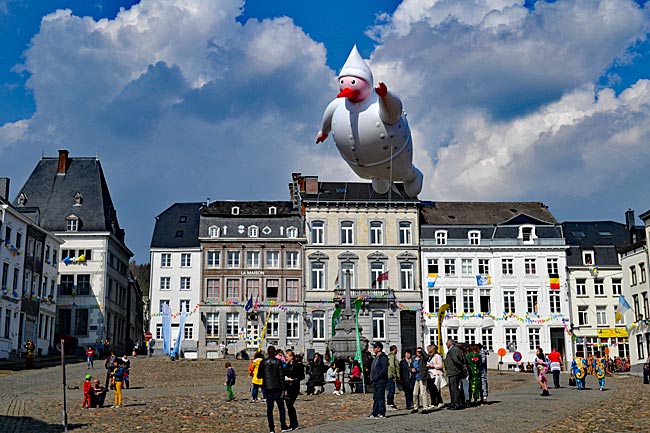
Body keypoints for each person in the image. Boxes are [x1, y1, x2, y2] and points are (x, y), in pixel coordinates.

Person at [257, 345, 289, 433]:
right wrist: (284, 388)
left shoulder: (263, 362)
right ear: (275, 352)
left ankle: (271, 428)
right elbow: (281, 376)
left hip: (267, 387)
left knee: (269, 409)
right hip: (277, 387)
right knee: (281, 407)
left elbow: (259, 375)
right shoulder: (278, 362)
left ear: (267, 352)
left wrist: (265, 376)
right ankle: (283, 426)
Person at [283, 350, 305, 431]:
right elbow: (284, 373)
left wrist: (294, 379)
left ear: (291, 357)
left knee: (290, 404)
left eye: (287, 356)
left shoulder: (297, 365)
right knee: (289, 406)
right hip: (287, 387)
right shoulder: (287, 365)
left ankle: (294, 423)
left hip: (294, 387)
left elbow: (302, 376)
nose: (285, 357)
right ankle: (293, 423)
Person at [368, 342, 388, 419]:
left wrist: (378, 376)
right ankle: (375, 412)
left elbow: (384, 368)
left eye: (375, 347)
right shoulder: (376, 357)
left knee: (380, 397)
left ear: (379, 348)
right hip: (375, 380)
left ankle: (381, 412)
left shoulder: (382, 357)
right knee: (376, 397)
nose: (374, 349)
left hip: (381, 380)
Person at [444, 339, 465, 410]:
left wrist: (462, 366)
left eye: (447, 343)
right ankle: (453, 402)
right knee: (451, 388)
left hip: (454, 371)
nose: (446, 344)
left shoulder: (454, 349)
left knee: (455, 388)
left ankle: (457, 403)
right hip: (451, 372)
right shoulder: (451, 349)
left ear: (450, 343)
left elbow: (456, 359)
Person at [410, 346, 429, 413]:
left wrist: (422, 351)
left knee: (423, 393)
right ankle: (415, 407)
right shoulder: (413, 358)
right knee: (415, 393)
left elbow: (427, 356)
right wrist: (411, 369)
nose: (419, 353)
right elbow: (410, 367)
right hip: (416, 377)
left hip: (422, 376)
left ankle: (425, 408)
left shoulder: (423, 358)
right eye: (418, 351)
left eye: (420, 352)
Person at [426, 345, 444, 410]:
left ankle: (439, 401)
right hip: (430, 374)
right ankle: (433, 402)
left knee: (436, 389)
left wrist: (432, 366)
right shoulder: (430, 357)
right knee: (431, 390)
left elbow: (440, 365)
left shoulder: (437, 356)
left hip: (436, 374)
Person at [387, 345, 400, 410]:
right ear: (394, 349)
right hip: (391, 376)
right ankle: (390, 404)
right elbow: (392, 366)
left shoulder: (393, 356)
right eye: (396, 349)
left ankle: (391, 403)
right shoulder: (391, 356)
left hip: (391, 375)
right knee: (391, 390)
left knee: (392, 390)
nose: (397, 351)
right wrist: (394, 375)